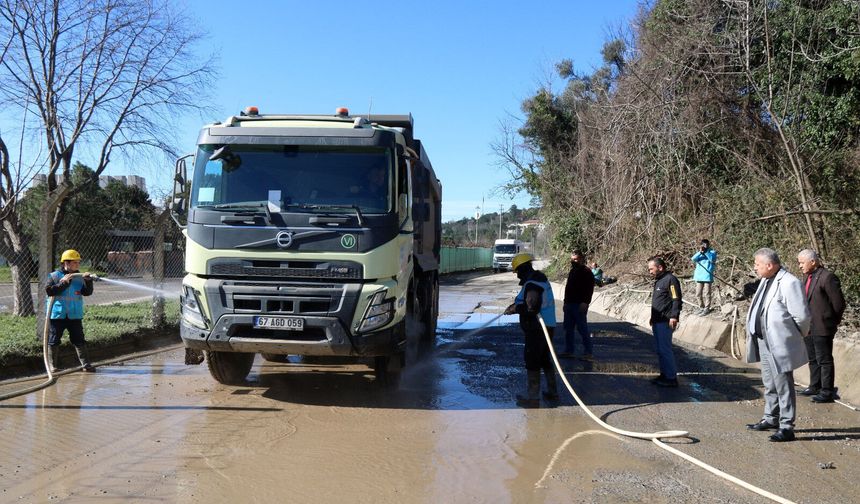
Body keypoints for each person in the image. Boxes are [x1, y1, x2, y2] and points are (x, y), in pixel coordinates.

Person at [745, 248, 810, 442]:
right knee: (769, 382)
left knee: (783, 384)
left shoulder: (790, 282)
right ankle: (770, 417)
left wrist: (794, 336)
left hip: (779, 342)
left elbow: (802, 317)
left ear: (769, 265)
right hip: (763, 341)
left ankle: (787, 426)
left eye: (757, 264)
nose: (755, 268)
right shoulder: (766, 280)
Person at [504, 253, 558, 407]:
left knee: (532, 361)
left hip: (538, 329)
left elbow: (532, 307)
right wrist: (517, 306)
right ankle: (552, 392)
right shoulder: (539, 279)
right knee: (544, 360)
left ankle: (533, 399)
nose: (517, 275)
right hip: (547, 326)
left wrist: (515, 308)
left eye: (518, 271)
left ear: (523, 268)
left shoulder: (533, 284)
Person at [796, 249, 845, 403]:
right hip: (809, 326)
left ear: (813, 262)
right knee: (813, 358)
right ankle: (815, 386)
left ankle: (827, 391)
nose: (799, 266)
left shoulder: (827, 277)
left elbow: (839, 304)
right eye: (799, 263)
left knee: (824, 359)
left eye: (802, 262)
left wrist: (831, 321)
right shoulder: (807, 277)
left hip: (823, 326)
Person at [45, 249, 96, 372]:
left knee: (79, 339)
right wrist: (64, 283)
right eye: (74, 262)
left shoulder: (80, 277)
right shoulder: (54, 276)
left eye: (78, 262)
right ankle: (52, 366)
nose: (77, 265)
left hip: (74, 315)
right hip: (58, 315)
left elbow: (87, 292)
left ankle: (86, 364)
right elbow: (49, 291)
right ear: (66, 263)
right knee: (54, 339)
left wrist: (88, 282)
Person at [648, 257, 682, 387]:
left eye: (651, 269)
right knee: (660, 350)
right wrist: (653, 317)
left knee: (665, 349)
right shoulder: (659, 281)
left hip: (665, 321)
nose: (650, 272)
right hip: (657, 321)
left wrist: (674, 316)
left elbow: (676, 299)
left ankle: (671, 378)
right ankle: (664, 374)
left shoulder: (670, 280)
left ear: (660, 267)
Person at [560, 250, 594, 360]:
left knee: (582, 329)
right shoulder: (572, 271)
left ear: (581, 259)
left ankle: (588, 352)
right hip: (569, 304)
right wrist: (565, 302)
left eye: (576, 259)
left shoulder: (586, 272)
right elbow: (568, 288)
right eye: (572, 259)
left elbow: (589, 289)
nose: (574, 261)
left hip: (579, 305)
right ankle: (569, 351)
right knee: (568, 329)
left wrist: (585, 302)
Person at [690, 239, 717, 315]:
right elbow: (693, 259)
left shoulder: (712, 252)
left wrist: (706, 252)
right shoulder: (700, 253)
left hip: (707, 276)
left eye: (706, 244)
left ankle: (707, 308)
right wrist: (700, 252)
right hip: (699, 276)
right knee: (698, 293)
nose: (705, 246)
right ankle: (701, 307)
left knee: (707, 293)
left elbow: (712, 260)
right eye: (703, 245)